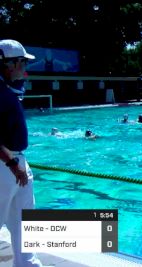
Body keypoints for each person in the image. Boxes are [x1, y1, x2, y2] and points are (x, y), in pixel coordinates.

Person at [0, 39, 45, 266]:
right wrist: (11, 163)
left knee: (25, 222)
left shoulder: (9, 91)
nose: (25, 68)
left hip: (16, 162)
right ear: (9, 64)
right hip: (5, 165)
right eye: (22, 63)